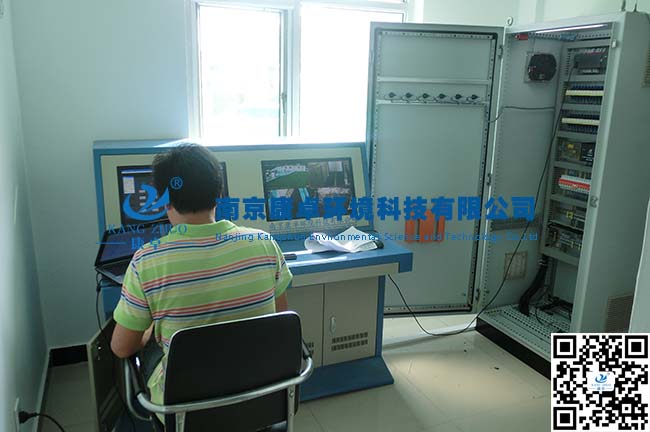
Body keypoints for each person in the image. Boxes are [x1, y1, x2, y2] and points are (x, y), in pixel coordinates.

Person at [110, 144, 292, 408]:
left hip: (185, 411)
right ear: (219, 193)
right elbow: (280, 317)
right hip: (261, 397)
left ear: (164, 200)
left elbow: (121, 348)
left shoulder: (146, 262)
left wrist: (148, 331)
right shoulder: (264, 244)